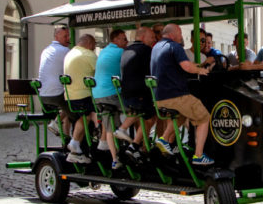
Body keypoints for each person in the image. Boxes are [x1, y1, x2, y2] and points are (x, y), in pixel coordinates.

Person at [150, 24, 214, 165]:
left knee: (180, 115)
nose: (181, 37)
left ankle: (164, 139)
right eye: (180, 33)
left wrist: (196, 66)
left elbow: (178, 66)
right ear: (173, 34)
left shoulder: (156, 47)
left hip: (159, 97)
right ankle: (198, 156)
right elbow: (186, 66)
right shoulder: (174, 46)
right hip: (175, 95)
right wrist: (201, 70)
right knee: (204, 118)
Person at [118, 27, 158, 159]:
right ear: (142, 37)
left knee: (147, 116)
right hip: (139, 94)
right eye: (151, 36)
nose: (154, 39)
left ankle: (135, 146)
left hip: (125, 94)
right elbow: (154, 70)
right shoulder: (146, 50)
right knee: (153, 116)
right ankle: (125, 132)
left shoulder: (127, 50)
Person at [92, 29, 129, 169]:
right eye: (124, 39)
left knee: (109, 127)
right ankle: (132, 141)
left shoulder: (103, 51)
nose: (126, 42)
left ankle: (115, 159)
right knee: (137, 110)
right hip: (112, 94)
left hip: (98, 96)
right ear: (116, 39)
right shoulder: (121, 52)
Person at [63, 34, 98, 164]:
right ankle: (77, 142)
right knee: (89, 115)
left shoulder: (70, 53)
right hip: (83, 95)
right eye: (94, 45)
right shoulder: (89, 55)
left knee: (84, 117)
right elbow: (100, 72)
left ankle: (76, 149)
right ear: (89, 44)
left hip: (69, 95)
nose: (94, 48)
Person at [37, 26, 71, 138]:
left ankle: (66, 137)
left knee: (70, 104)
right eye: (65, 36)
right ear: (56, 37)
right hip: (56, 95)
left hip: (43, 95)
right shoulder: (65, 51)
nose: (68, 38)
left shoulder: (46, 50)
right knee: (76, 105)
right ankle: (57, 123)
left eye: (68, 36)